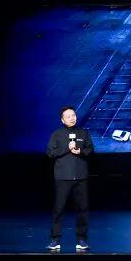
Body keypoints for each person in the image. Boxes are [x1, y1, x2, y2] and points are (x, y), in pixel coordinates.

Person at [45, 105, 94, 251]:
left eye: (73, 115)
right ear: (62, 120)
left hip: (80, 177)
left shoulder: (83, 133)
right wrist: (68, 148)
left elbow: (90, 149)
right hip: (62, 177)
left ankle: (81, 240)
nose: (72, 118)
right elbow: (50, 153)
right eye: (68, 116)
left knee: (82, 209)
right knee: (58, 209)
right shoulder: (57, 134)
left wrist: (81, 151)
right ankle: (55, 240)